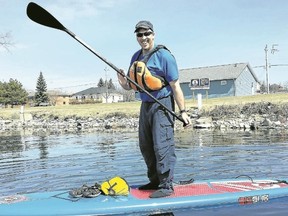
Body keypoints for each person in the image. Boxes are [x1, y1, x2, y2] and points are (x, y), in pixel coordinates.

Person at [117, 20, 191, 198]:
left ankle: (166, 185)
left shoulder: (164, 56)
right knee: (146, 145)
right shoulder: (135, 57)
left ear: (153, 34)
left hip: (163, 104)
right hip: (146, 105)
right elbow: (131, 86)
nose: (143, 38)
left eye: (147, 34)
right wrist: (122, 82)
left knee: (162, 145)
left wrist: (183, 112)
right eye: (140, 35)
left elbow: (175, 86)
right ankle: (155, 180)